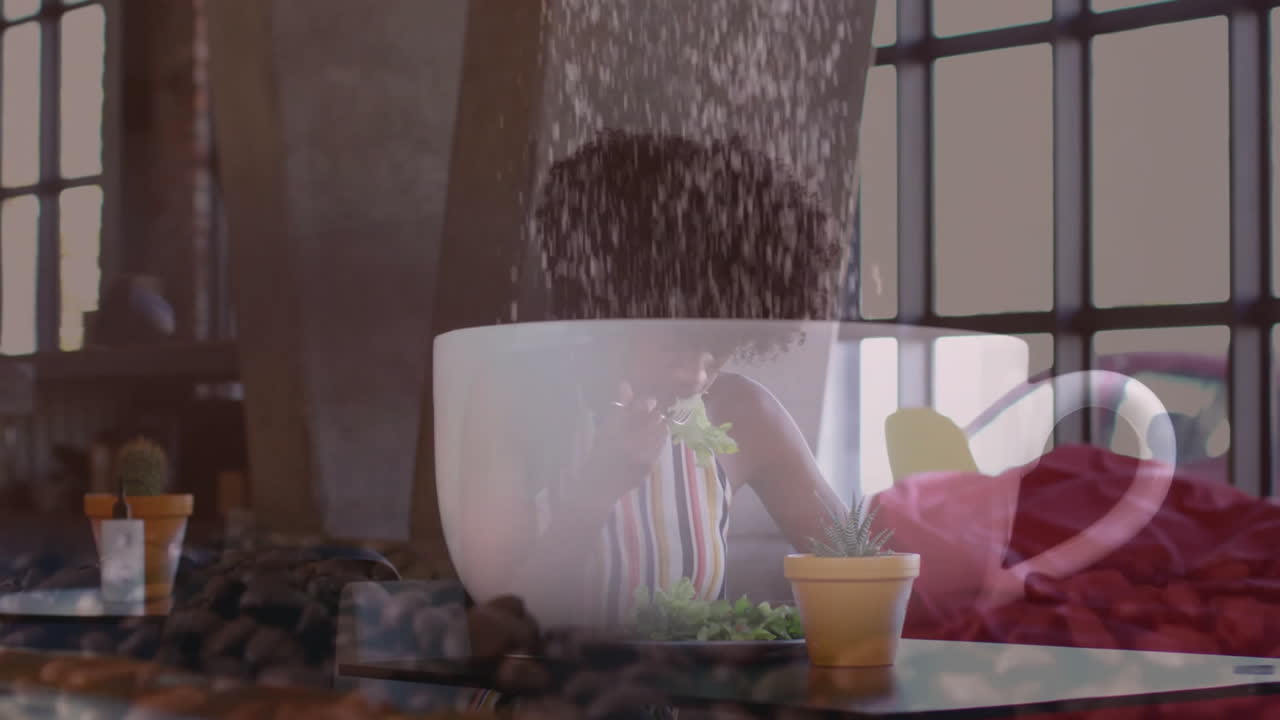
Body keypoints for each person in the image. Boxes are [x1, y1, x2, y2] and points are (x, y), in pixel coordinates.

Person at [454, 129, 855, 639]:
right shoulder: (514, 396)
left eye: (719, 349)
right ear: (609, 306)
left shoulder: (745, 413)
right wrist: (592, 494)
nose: (695, 374)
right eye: (674, 344)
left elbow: (862, 572)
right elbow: (495, 634)